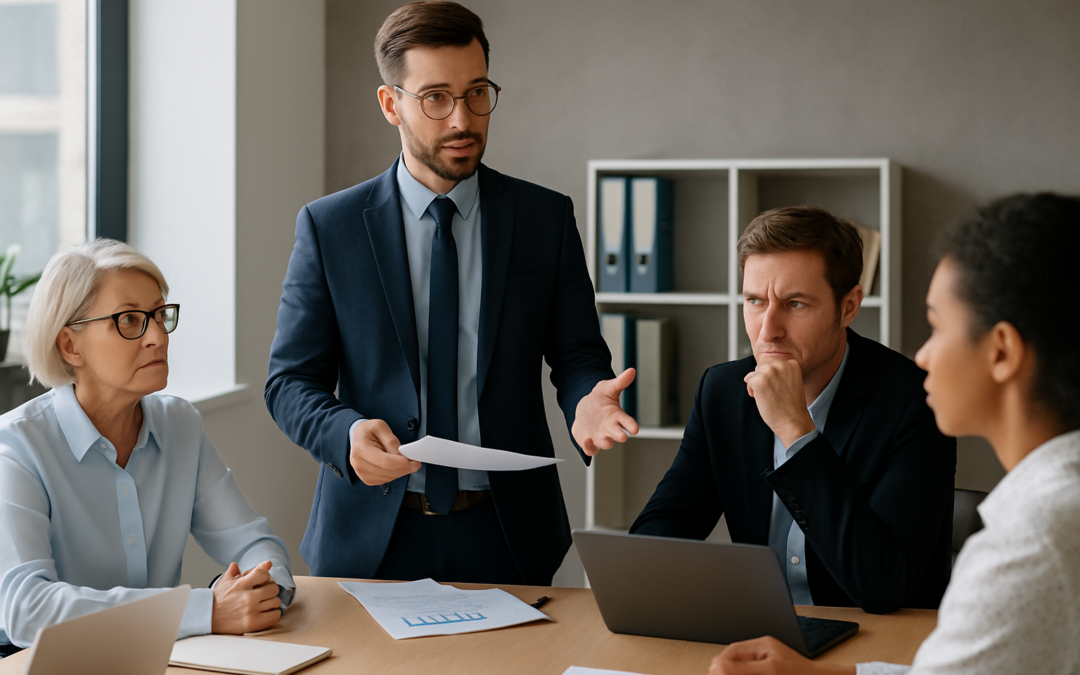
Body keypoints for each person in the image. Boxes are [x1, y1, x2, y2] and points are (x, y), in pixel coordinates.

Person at [265, 1, 633, 586]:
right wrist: (346, 433)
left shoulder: (545, 217)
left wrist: (587, 400)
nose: (463, 118)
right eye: (436, 97)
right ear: (392, 104)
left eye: (477, 92)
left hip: (509, 534)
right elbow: (289, 383)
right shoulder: (330, 227)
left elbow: (577, 354)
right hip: (370, 535)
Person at [710, 193, 1080, 674]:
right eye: (755, 300)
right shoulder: (1051, 508)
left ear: (1002, 351)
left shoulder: (1029, 546)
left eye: (937, 327)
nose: (923, 357)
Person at [630, 206, 956, 613]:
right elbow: (663, 529)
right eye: (754, 301)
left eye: (795, 303)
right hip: (761, 629)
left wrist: (796, 431)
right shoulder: (721, 391)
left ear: (849, 305)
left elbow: (882, 586)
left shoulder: (916, 403)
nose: (768, 330)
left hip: (877, 641)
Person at [0, 240, 294, 655]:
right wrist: (205, 609)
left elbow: (251, 542)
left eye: (159, 315)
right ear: (70, 346)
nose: (157, 336)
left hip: (156, 657)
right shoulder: (15, 447)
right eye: (129, 320)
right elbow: (28, 610)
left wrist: (262, 589)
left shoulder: (180, 425)